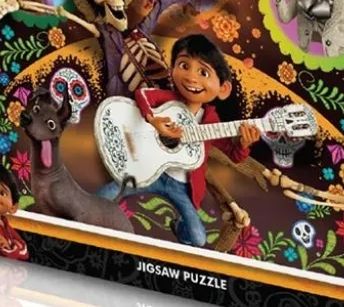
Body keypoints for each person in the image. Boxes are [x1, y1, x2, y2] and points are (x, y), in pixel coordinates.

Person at [98, 35, 260, 247]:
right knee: (107, 193)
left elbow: (233, 154)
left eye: (203, 72)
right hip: (150, 171)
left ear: (223, 89)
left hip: (182, 187)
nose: (191, 77)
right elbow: (143, 94)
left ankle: (178, 227)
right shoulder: (170, 99)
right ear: (172, 68)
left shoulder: (211, 122)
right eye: (184, 66)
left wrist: (244, 144)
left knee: (198, 238)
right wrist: (153, 120)